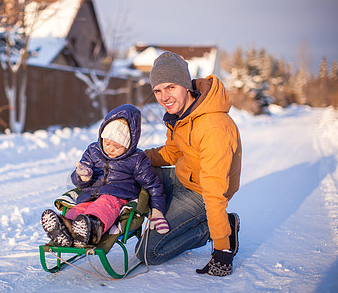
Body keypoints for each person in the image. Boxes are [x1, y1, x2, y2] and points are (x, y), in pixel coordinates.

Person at [135, 51, 242, 277]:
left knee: (148, 252)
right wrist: (136, 158)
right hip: (183, 176)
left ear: (185, 85)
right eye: (158, 90)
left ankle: (218, 228)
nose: (164, 97)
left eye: (170, 87)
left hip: (202, 192)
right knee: (132, 172)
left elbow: (214, 191)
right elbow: (172, 153)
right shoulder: (182, 114)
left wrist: (222, 246)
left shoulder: (213, 127)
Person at [41, 104, 169, 248]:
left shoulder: (137, 158)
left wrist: (158, 211)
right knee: (80, 208)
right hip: (90, 195)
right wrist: (83, 176)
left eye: (118, 146)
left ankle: (92, 230)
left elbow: (152, 185)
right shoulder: (93, 150)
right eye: (107, 143)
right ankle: (63, 229)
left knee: (104, 204)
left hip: (116, 196)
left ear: (129, 144)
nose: (110, 149)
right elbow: (78, 178)